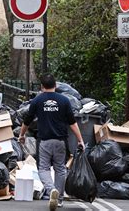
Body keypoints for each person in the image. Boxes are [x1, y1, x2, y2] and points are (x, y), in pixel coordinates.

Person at [19, 73, 84, 210]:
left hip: (44, 141)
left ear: (42, 86)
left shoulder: (37, 101)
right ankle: (59, 199)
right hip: (61, 140)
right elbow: (73, 123)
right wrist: (80, 140)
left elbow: (27, 120)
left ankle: (51, 190)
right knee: (60, 168)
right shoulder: (64, 101)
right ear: (55, 85)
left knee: (43, 168)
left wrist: (21, 135)